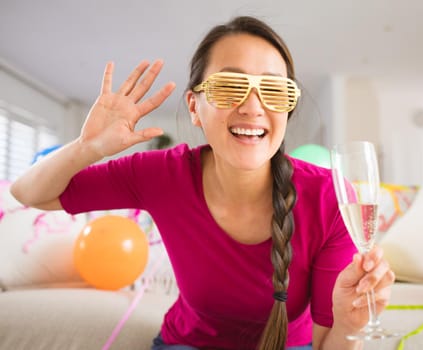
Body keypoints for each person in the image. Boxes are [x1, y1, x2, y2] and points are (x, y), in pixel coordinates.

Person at [10, 16, 395, 350]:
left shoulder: (331, 196)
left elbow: (333, 342)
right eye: (230, 86)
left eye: (274, 90)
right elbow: (29, 193)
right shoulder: (162, 174)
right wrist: (87, 147)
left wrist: (350, 324)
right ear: (195, 107)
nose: (253, 105)